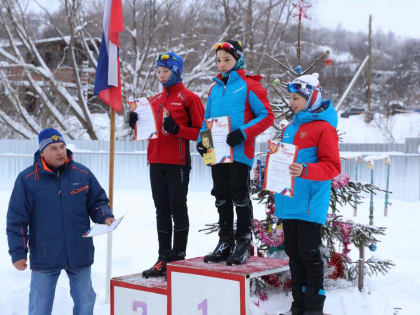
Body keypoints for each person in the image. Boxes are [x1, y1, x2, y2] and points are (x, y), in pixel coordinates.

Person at [6, 128, 115, 315]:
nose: (60, 152)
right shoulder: (27, 179)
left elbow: (98, 201)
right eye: (54, 148)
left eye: (62, 147)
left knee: (86, 302)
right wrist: (18, 253)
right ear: (43, 152)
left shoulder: (82, 173)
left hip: (79, 251)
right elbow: (17, 220)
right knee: (39, 306)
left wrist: (104, 215)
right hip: (45, 255)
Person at [197, 40, 274, 265]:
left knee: (239, 194)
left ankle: (243, 241)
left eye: (227, 60)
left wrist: (243, 133)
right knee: (220, 195)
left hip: (239, 151)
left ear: (238, 59)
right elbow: (206, 120)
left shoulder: (250, 86)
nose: (222, 64)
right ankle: (225, 242)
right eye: (219, 60)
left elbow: (267, 116)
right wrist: (203, 142)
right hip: (217, 152)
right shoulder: (214, 88)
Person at [129, 52, 204, 277]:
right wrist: (133, 122)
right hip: (155, 161)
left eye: (166, 71)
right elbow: (146, 131)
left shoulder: (189, 98)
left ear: (176, 71)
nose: (161, 75)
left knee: (177, 207)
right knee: (161, 209)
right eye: (159, 71)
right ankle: (163, 257)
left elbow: (202, 132)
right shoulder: (152, 100)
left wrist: (178, 129)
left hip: (178, 162)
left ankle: (178, 256)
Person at [274, 73, 341, 315]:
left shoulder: (324, 128)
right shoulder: (290, 128)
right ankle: (298, 307)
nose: (291, 102)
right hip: (289, 202)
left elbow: (332, 166)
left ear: (311, 97)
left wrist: (305, 170)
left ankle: (313, 309)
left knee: (310, 255)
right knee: (294, 255)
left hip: (311, 205)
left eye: (296, 98)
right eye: (290, 97)